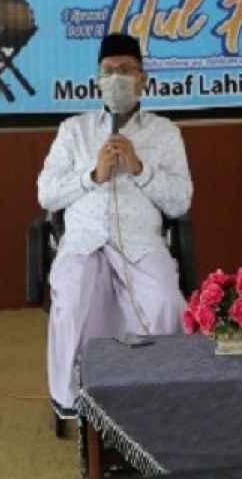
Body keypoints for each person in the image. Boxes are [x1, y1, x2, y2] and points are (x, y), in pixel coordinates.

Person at [37, 32, 193, 419]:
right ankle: (75, 399)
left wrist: (141, 169)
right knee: (73, 301)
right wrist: (93, 174)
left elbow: (180, 200)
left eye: (126, 70)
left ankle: (160, 395)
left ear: (144, 80)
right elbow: (46, 194)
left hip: (142, 243)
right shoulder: (73, 131)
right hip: (84, 242)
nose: (117, 78)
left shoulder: (165, 133)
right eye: (109, 71)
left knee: (166, 303)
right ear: (96, 80)